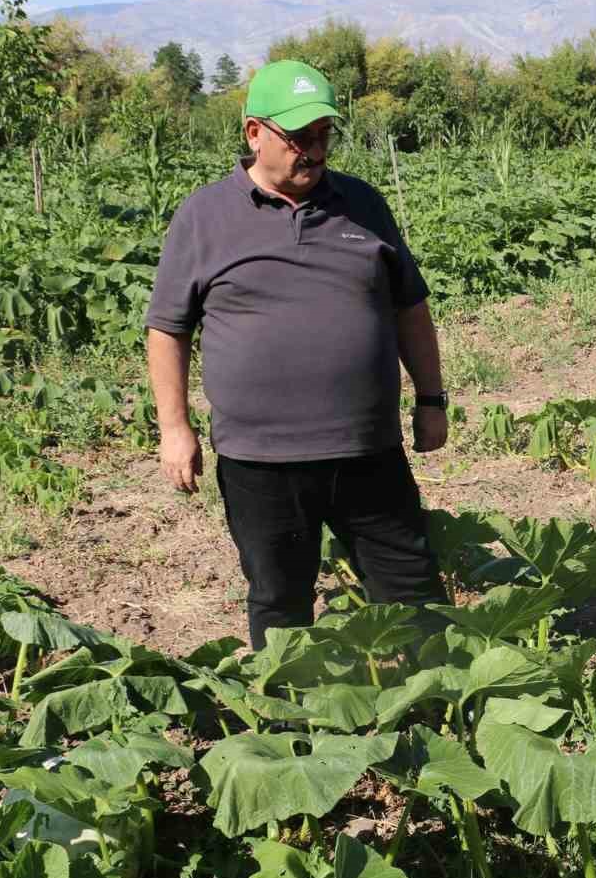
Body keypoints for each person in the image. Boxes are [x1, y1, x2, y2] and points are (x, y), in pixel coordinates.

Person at [145, 59, 450, 649]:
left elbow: (410, 308)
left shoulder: (362, 204)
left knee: (413, 593)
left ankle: (437, 714)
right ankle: (291, 734)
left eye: (323, 135)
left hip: (367, 448)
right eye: (298, 137)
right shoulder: (204, 216)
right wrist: (174, 428)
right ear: (253, 131)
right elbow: (168, 330)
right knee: (281, 602)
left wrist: (432, 399)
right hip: (262, 460)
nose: (313, 150)